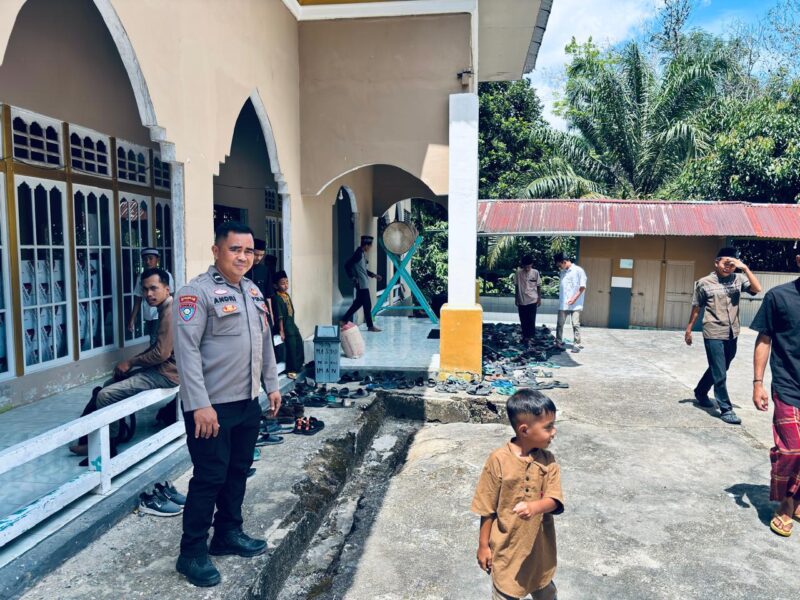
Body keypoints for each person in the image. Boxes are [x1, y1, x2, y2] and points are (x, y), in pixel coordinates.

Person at [173, 221, 281, 587]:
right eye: (235, 249)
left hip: (247, 404)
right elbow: (185, 352)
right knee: (209, 478)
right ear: (217, 251)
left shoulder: (252, 292)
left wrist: (272, 385)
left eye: (248, 251)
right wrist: (199, 404)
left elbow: (264, 343)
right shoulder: (196, 293)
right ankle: (191, 553)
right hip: (211, 408)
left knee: (238, 472)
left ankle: (227, 535)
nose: (243, 256)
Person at [69, 268, 178, 456]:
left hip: (167, 373)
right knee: (110, 383)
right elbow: (157, 349)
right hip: (165, 369)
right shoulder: (166, 307)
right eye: (144, 289)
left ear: (167, 289)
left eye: (153, 288)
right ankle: (101, 434)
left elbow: (161, 353)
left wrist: (131, 362)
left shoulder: (169, 312)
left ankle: (108, 445)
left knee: (105, 395)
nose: (148, 294)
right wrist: (129, 362)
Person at [471, 389, 563, 600]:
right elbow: (486, 508)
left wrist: (534, 507)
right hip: (506, 551)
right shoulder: (498, 460)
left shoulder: (548, 461)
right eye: (548, 427)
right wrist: (483, 546)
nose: (554, 432)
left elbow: (555, 499)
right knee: (505, 592)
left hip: (539, 551)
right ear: (524, 430)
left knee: (545, 589)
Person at [751, 246, 800, 537]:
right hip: (788, 385)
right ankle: (785, 504)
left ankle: (795, 498)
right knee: (793, 449)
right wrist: (757, 383)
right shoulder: (778, 297)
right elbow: (764, 339)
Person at [685, 246, 761, 425]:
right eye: (725, 263)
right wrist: (689, 329)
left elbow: (757, 289)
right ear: (716, 263)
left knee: (721, 366)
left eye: (732, 264)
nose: (728, 267)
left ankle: (701, 391)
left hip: (732, 331)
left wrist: (745, 268)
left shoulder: (739, 279)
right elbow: (697, 307)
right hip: (713, 331)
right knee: (720, 372)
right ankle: (726, 408)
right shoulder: (704, 283)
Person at [128, 248, 175, 345]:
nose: (148, 262)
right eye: (145, 259)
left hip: (161, 314)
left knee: (156, 341)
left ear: (157, 260)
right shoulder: (141, 278)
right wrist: (132, 318)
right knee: (154, 340)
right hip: (148, 315)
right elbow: (138, 299)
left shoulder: (166, 275)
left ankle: (158, 358)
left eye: (150, 258)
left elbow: (171, 296)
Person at [341, 235, 383, 333]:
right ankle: (370, 326)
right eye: (370, 246)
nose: (370, 248)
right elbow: (347, 265)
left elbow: (363, 270)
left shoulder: (362, 253)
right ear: (366, 245)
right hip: (361, 284)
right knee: (367, 305)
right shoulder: (358, 254)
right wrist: (352, 277)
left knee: (358, 304)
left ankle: (344, 320)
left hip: (363, 283)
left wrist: (374, 275)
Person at [273, 270, 304, 379]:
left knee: (299, 344)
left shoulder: (286, 295)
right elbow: (279, 316)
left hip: (292, 326)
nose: (286, 285)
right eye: (282, 283)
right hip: (286, 327)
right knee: (291, 348)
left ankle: (299, 366)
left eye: (287, 282)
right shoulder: (277, 298)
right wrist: (281, 331)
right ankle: (291, 369)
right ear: (276, 286)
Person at [554, 252, 587, 353]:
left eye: (560, 265)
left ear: (564, 262)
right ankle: (558, 342)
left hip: (576, 304)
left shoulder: (578, 271)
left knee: (575, 324)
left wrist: (574, 299)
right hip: (563, 302)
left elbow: (582, 287)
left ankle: (576, 344)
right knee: (560, 324)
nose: (559, 267)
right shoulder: (563, 272)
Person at [515, 255, 542, 341]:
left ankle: (531, 337)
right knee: (523, 319)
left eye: (529, 266)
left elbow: (538, 286)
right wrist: (516, 298)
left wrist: (539, 298)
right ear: (522, 265)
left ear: (531, 265)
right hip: (522, 300)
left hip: (532, 300)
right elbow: (516, 286)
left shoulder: (535, 272)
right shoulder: (518, 273)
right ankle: (525, 336)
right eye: (525, 266)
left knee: (531, 319)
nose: (527, 268)